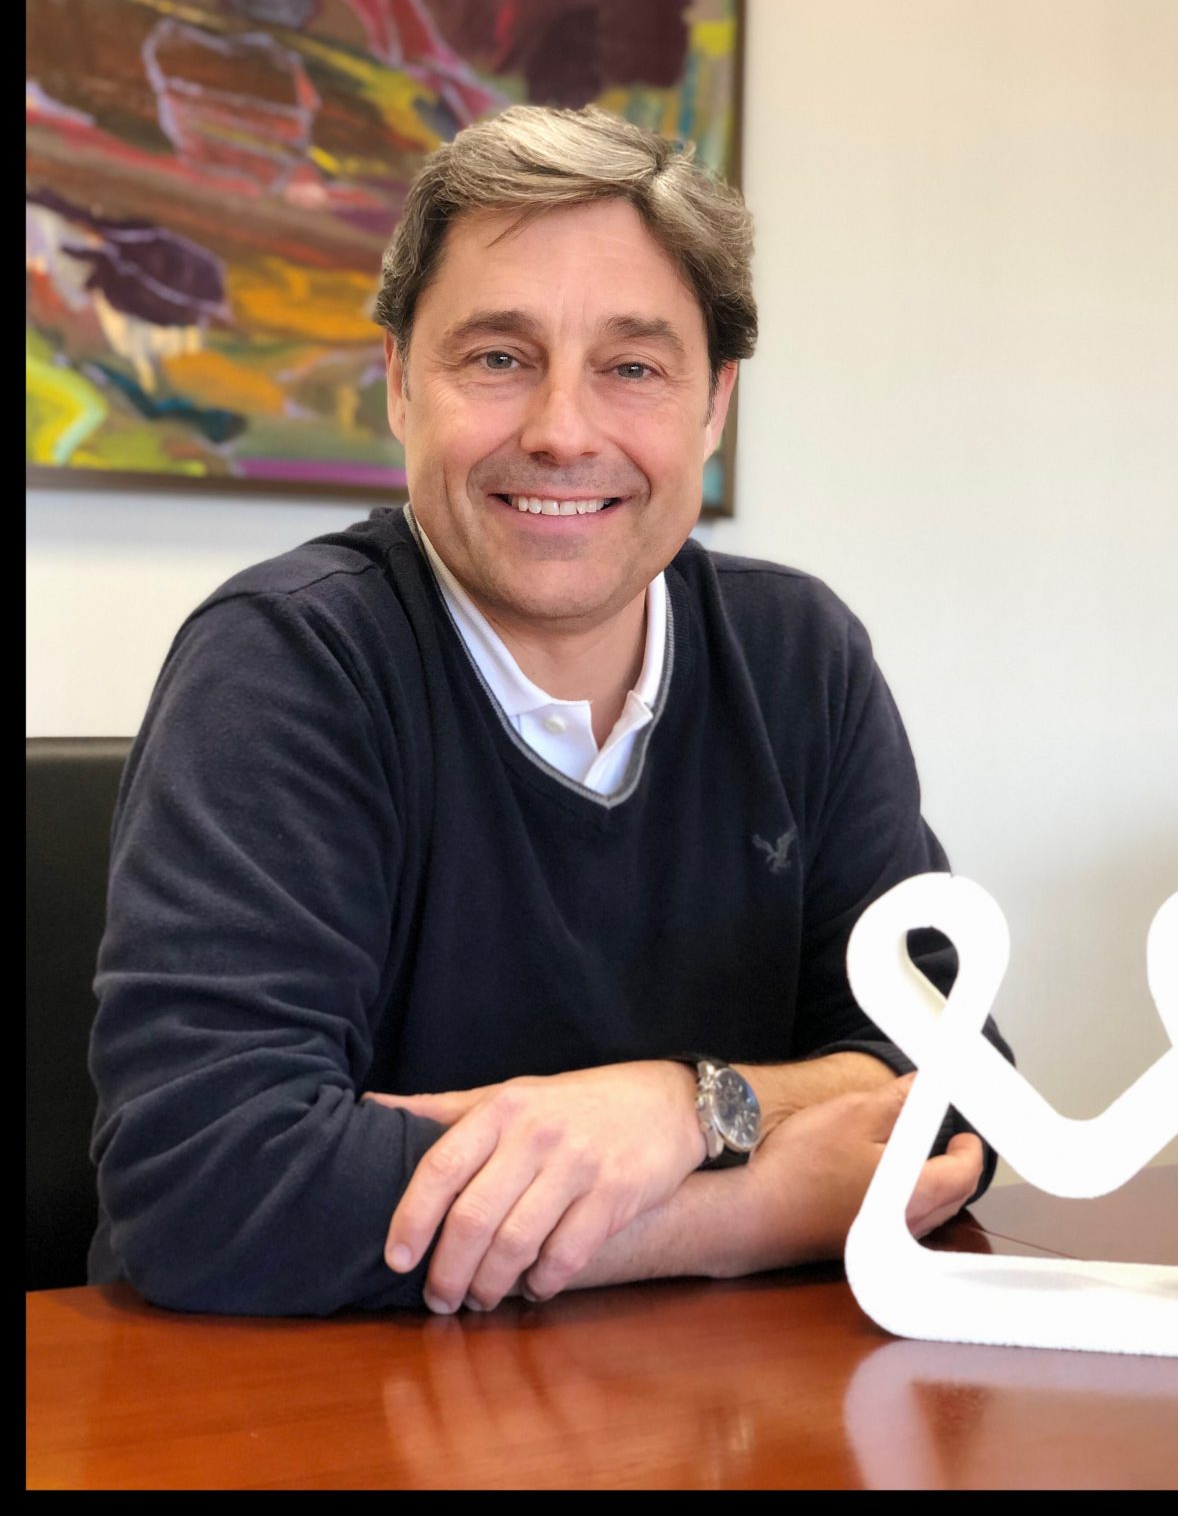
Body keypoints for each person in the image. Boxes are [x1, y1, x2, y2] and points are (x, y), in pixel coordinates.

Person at [88, 104, 1014, 1317]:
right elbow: (208, 1183)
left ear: (713, 405)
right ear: (399, 385)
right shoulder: (288, 662)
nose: (561, 432)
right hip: (316, 1392)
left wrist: (680, 1107)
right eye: (496, 358)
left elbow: (961, 1088)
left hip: (715, 1396)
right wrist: (746, 1208)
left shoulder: (799, 657)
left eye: (631, 368)